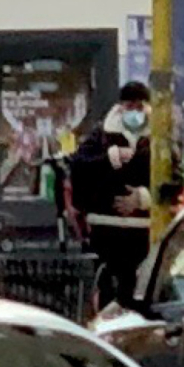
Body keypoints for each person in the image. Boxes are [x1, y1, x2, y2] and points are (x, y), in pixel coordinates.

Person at [69, 83, 155, 305]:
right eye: (129, 106)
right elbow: (79, 170)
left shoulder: (159, 138)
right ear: (120, 107)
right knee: (109, 288)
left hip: (146, 232)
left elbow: (174, 181)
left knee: (141, 291)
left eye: (139, 106)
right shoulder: (102, 135)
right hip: (106, 231)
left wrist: (143, 199)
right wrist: (109, 159)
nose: (134, 112)